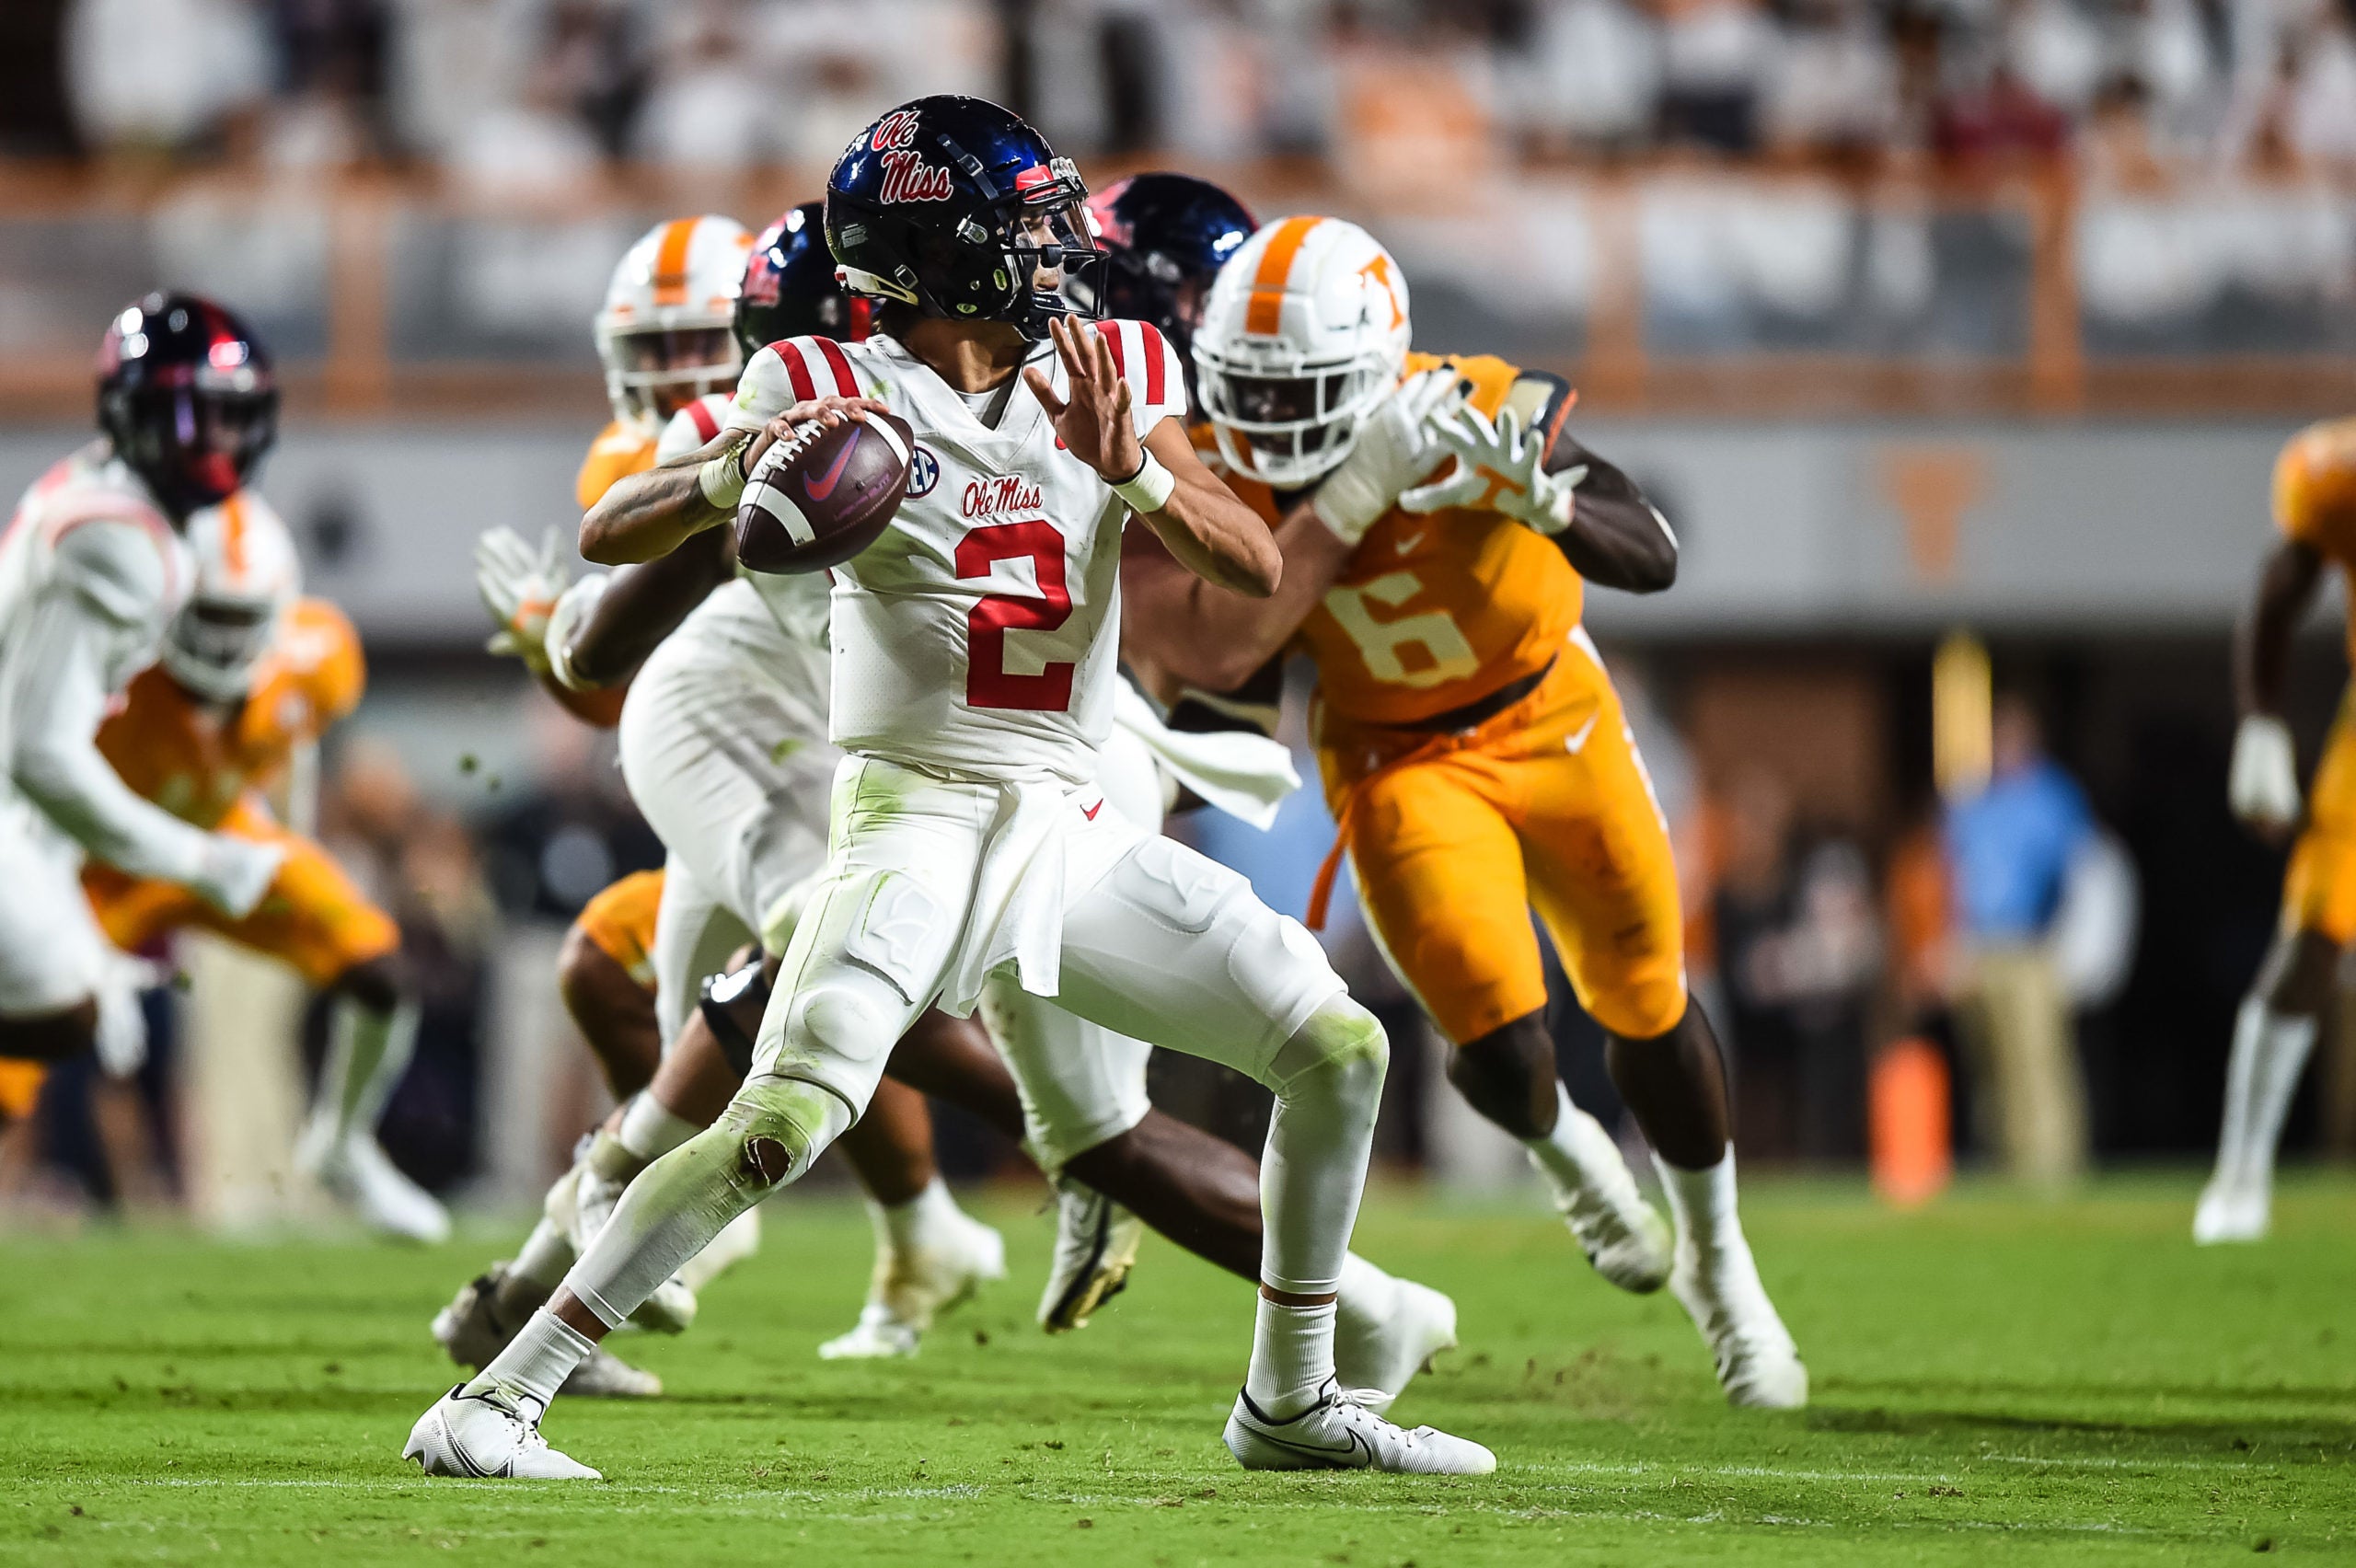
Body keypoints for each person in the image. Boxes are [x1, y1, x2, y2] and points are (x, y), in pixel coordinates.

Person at [405, 96, 1494, 1481]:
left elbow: (1250, 562)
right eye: (1023, 225)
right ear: (935, 252)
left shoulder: (1118, 370)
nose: (1055, 247)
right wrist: (729, 472)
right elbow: (616, 529)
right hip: (910, 811)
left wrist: (1139, 479)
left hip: (1068, 824)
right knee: (784, 1122)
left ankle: (1289, 1401)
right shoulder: (816, 384)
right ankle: (495, 1403)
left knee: (1340, 1052)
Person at [1126, 214, 1806, 1410]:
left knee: (1646, 996)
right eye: (1255, 394)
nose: (1273, 429)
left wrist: (1549, 504)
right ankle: (1570, 1156)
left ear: (1381, 364)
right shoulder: (1210, 462)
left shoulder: (1480, 403)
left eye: (1309, 395)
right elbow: (1215, 646)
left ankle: (1722, 1266)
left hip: (1551, 716)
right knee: (1493, 1041)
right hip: (1396, 758)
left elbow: (1651, 555)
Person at [456, 209, 1008, 1378]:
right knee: (716, 997)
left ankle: (567, 1264)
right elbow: (617, 675)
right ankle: (613, 1250)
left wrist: (562, 636)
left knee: (781, 993)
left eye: (694, 344)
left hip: (854, 761)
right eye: (650, 353)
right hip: (769, 761)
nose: (677, 377)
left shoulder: (893, 415)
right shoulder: (698, 446)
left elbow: (601, 664)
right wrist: (567, 638)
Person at [77, 490, 445, 1240]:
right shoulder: (108, 671)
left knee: (376, 967)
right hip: (111, 861)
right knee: (31, 1025)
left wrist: (295, 841)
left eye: (238, 622)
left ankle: (342, 1147)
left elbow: (296, 737)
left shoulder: (315, 657)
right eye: (206, 619)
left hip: (228, 846)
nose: (218, 645)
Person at [0, 295, 286, 1085]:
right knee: (62, 1015)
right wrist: (198, 861)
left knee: (67, 1010)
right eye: (199, 417)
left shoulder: (104, 493)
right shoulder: (124, 542)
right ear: (138, 414)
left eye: (235, 417)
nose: (221, 443)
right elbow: (41, 760)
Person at [2200, 415, 2356, 1241]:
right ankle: (2242, 1171)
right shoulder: (2339, 473)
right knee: (2311, 933)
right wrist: (2261, 723)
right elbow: (2280, 588)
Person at [1942, 693, 2095, 1186]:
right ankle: (2002, 1159)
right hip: (1978, 948)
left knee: (2036, 1059)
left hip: (2031, 946)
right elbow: (1950, 874)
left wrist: (2071, 944)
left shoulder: (2052, 796)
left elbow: (2082, 874)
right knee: (1989, 1064)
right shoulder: (1973, 799)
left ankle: (2051, 1163)